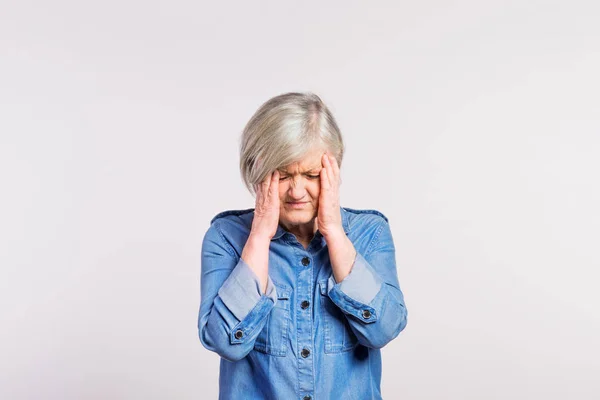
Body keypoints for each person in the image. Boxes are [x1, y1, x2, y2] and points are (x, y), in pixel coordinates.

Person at [197, 92, 408, 399]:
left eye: (311, 175)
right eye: (282, 176)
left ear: (332, 171)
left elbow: (383, 330)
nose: (297, 191)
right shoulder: (226, 237)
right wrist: (259, 237)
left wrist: (334, 233)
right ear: (258, 172)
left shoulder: (370, 233)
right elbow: (225, 341)